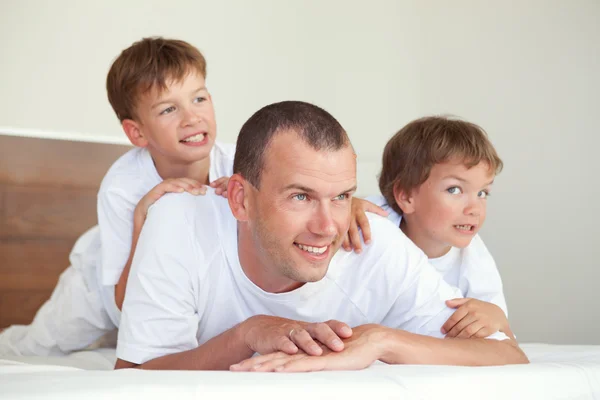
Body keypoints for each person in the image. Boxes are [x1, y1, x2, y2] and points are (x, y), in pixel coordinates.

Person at [115, 101, 528, 372]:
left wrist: (379, 340)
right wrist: (247, 334)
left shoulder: (373, 241)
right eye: (300, 196)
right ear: (240, 199)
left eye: (342, 196)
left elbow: (506, 355)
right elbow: (132, 377)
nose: (328, 226)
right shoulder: (177, 220)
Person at [0, 37, 233, 357]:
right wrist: (141, 219)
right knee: (46, 341)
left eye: (199, 98)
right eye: (168, 108)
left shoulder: (240, 166)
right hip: (104, 280)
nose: (192, 118)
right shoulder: (122, 187)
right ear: (137, 133)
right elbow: (124, 302)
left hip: (174, 279)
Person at [349, 116, 515, 340]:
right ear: (406, 196)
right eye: (455, 190)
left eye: (483, 193)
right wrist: (346, 207)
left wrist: (494, 315)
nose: (475, 208)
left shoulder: (474, 257)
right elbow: (342, 210)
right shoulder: (376, 220)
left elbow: (499, 326)